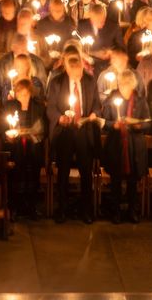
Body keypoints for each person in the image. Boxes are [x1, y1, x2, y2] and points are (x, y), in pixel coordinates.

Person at [46, 53, 100, 223]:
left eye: (81, 73)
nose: (79, 76)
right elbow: (51, 108)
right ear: (67, 69)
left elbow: (98, 105)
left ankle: (86, 210)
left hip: (84, 129)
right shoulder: (56, 82)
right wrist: (60, 118)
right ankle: (62, 208)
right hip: (65, 131)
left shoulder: (90, 81)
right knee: (63, 170)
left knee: (86, 171)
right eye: (75, 74)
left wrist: (93, 114)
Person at [101, 70, 150, 224]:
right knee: (115, 180)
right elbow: (104, 121)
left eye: (127, 85)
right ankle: (115, 211)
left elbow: (148, 122)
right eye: (121, 85)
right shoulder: (111, 99)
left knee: (133, 180)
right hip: (117, 144)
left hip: (134, 146)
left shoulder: (141, 101)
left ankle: (132, 211)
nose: (124, 88)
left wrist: (137, 125)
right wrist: (113, 124)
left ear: (133, 85)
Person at [0, 77, 46, 220]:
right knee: (16, 166)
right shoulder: (9, 106)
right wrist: (8, 136)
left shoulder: (38, 107)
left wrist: (34, 132)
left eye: (25, 94)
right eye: (20, 94)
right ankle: (14, 206)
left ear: (30, 93)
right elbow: (2, 128)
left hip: (33, 147)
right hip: (15, 148)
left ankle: (31, 205)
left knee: (32, 165)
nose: (22, 97)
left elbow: (43, 128)